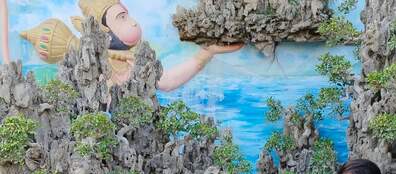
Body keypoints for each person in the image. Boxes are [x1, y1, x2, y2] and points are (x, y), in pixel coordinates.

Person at [15, 0, 243, 89]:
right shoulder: (97, 65)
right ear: (103, 30)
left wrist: (206, 54)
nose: (132, 21)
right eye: (121, 18)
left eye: (127, 15)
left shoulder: (132, 59)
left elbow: (165, 81)